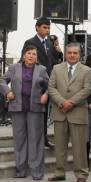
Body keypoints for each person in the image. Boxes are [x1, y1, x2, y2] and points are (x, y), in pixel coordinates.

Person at [0, 45, 49, 180]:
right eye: (29, 53)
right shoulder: (14, 68)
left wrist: (46, 94)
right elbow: (2, 80)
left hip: (36, 108)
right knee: (20, 140)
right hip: (17, 107)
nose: (31, 56)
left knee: (36, 140)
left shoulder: (42, 70)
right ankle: (20, 170)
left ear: (36, 57)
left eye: (34, 54)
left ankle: (37, 171)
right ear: (24, 55)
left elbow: (50, 86)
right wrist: (7, 91)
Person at [47, 43, 91, 182]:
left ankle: (81, 174)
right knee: (60, 146)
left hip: (77, 113)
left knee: (79, 147)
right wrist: (62, 102)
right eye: (70, 53)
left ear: (79, 55)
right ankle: (60, 172)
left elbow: (87, 89)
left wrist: (70, 102)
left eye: (75, 53)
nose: (72, 55)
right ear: (65, 54)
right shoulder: (56, 68)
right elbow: (51, 87)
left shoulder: (87, 70)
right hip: (60, 112)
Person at [23, 17, 56, 148]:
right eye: (44, 27)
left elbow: (51, 61)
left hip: (46, 82)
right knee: (31, 112)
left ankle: (44, 138)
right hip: (33, 82)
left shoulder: (49, 43)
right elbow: (25, 61)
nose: (47, 30)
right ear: (37, 27)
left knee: (44, 112)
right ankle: (30, 138)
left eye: (48, 28)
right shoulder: (30, 42)